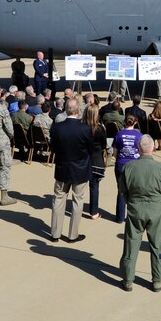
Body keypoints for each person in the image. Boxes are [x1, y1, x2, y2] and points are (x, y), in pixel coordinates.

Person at [118, 135, 161, 292]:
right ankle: (157, 279)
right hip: (155, 210)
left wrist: (131, 202)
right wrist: (158, 201)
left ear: (138, 149)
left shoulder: (129, 167)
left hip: (135, 209)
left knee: (131, 244)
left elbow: (122, 190)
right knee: (157, 245)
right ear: (153, 148)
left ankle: (128, 279)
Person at [49, 99, 94, 243]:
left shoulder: (57, 127)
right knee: (77, 201)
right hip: (79, 169)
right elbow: (91, 149)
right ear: (77, 111)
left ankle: (55, 233)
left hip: (63, 167)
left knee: (58, 199)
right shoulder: (85, 129)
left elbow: (54, 148)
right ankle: (72, 234)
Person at [113, 114, 143, 223]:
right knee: (134, 192)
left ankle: (120, 217)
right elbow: (142, 151)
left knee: (121, 191)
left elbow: (115, 152)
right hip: (134, 164)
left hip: (121, 163)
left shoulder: (119, 134)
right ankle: (133, 217)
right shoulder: (139, 135)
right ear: (135, 122)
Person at [82, 105, 107, 220]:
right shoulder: (100, 129)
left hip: (83, 159)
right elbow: (104, 145)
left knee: (79, 187)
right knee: (94, 186)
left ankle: (77, 208)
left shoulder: (81, 127)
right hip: (96, 159)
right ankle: (94, 212)